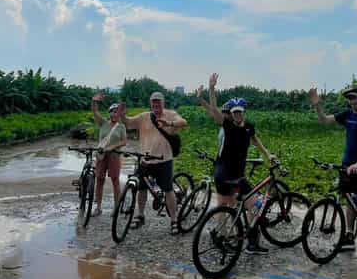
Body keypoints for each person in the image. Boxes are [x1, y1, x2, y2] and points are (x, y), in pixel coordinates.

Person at [309, 85, 357, 266]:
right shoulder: (348, 115)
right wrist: (318, 106)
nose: (351, 101)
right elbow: (324, 121)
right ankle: (349, 236)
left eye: (354, 97)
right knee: (349, 199)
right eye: (349, 98)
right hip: (347, 165)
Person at [205, 73, 277, 255]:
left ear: (244, 112)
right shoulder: (228, 126)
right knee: (253, 206)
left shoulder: (248, 127)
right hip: (230, 176)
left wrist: (268, 154)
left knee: (229, 207)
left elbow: (255, 140)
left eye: (240, 112)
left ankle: (222, 237)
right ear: (231, 114)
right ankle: (248, 242)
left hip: (227, 174)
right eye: (234, 112)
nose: (237, 114)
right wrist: (212, 90)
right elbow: (213, 111)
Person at [117, 92, 188, 235]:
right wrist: (123, 115)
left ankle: (174, 220)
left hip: (164, 160)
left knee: (168, 190)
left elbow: (184, 123)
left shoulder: (170, 114)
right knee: (142, 189)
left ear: (163, 103)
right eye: (153, 102)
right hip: (146, 160)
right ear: (151, 103)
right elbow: (129, 123)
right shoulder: (144, 117)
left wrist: (170, 123)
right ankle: (140, 215)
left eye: (159, 102)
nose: (156, 105)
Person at [91, 94, 127, 217]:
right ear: (109, 113)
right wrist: (94, 101)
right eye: (112, 112)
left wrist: (112, 147)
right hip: (101, 156)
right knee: (99, 180)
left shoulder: (121, 126)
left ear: (119, 114)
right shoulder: (103, 123)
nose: (114, 114)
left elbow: (124, 141)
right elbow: (95, 111)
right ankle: (98, 207)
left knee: (115, 181)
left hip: (114, 156)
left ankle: (116, 207)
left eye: (117, 112)